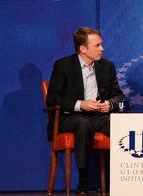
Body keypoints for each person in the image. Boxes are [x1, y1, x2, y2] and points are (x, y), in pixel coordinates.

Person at [46, 27, 125, 195]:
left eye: (101, 45)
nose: (102, 49)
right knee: (83, 124)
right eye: (97, 45)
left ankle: (120, 179)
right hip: (71, 117)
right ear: (83, 49)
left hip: (98, 116)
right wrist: (80, 104)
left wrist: (109, 104)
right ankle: (83, 180)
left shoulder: (107, 66)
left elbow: (119, 96)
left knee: (121, 124)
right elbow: (52, 99)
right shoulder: (64, 65)